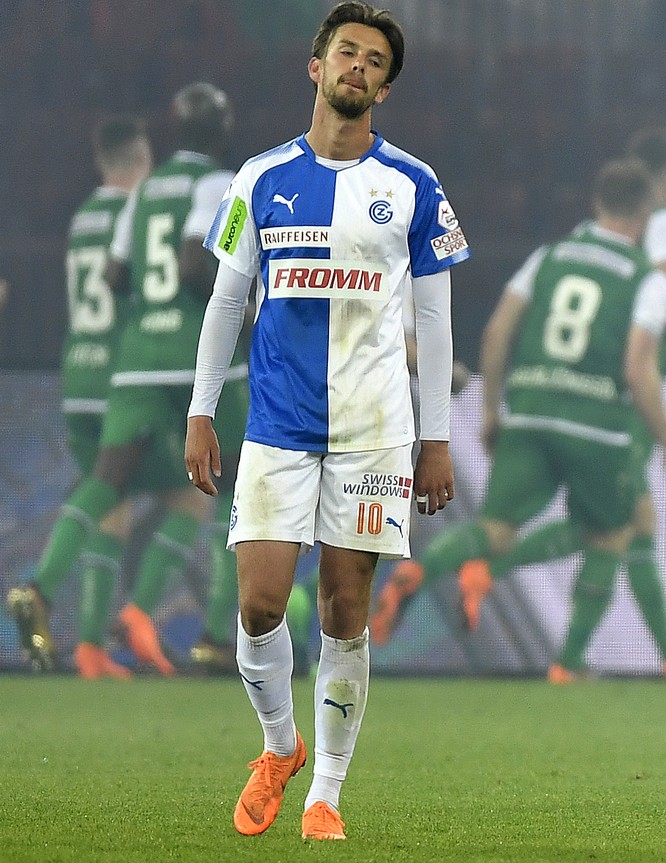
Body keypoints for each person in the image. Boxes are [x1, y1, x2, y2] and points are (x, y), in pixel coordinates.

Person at [185, 1, 466, 841]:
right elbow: (227, 299)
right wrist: (202, 411)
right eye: (346, 52)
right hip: (275, 423)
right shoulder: (258, 178)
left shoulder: (413, 184)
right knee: (262, 604)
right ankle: (280, 748)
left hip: (375, 430)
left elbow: (437, 322)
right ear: (316, 68)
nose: (358, 67)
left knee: (345, 607)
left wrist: (437, 434)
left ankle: (326, 798)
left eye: (374, 60)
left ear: (384, 84)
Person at [370, 129, 666, 685]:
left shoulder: (550, 256)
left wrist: (490, 411)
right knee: (614, 533)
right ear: (648, 209)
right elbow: (637, 367)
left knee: (497, 526)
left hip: (529, 409)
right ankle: (572, 662)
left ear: (596, 204)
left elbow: (496, 331)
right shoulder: (647, 274)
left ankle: (422, 569)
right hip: (600, 422)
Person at [8, 86, 249, 678]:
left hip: (135, 360)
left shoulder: (140, 195)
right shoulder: (226, 186)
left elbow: (115, 278)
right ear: (223, 131)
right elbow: (199, 264)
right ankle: (217, 635)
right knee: (230, 483)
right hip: (198, 359)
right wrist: (244, 310)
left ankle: (44, 591)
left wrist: (154, 308)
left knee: (109, 483)